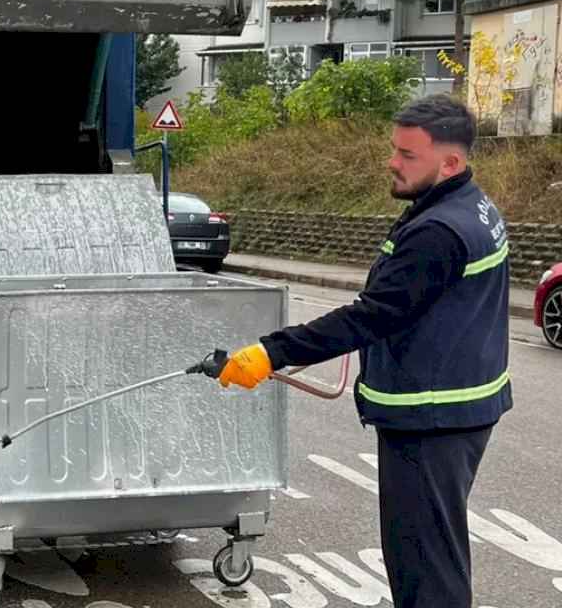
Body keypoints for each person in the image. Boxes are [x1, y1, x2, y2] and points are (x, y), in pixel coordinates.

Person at [217, 95, 511, 608]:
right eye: (394, 150)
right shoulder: (470, 206)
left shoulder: (438, 233)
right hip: (456, 410)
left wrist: (271, 352)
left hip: (430, 418)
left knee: (425, 570)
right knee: (436, 554)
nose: (393, 163)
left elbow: (372, 315)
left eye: (408, 156)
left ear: (451, 162)